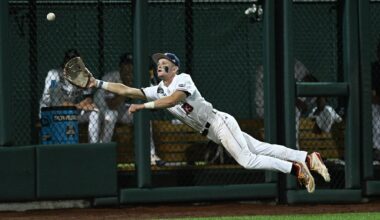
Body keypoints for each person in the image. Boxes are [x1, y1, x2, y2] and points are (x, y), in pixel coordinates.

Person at [87, 52, 331, 193]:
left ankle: (295, 169)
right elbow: (126, 89)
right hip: (213, 131)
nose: (160, 64)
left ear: (174, 67)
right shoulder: (158, 89)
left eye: (165, 62)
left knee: (247, 160)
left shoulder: (183, 79)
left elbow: (174, 100)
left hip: (218, 123)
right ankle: (308, 158)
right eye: (158, 63)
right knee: (259, 148)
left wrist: (143, 106)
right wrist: (97, 83)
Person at [94, 53, 165, 166]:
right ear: (120, 68)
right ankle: (103, 151)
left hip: (120, 110)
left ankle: (151, 155)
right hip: (101, 109)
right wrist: (127, 87)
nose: (128, 70)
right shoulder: (112, 78)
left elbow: (154, 107)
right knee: (110, 116)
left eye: (131, 67)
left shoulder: (138, 78)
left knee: (143, 117)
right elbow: (112, 104)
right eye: (126, 66)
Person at [39, 49, 101, 143]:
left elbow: (88, 98)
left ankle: (94, 146)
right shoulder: (54, 75)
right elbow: (57, 104)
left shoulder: (84, 76)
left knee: (95, 113)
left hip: (72, 112)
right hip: (51, 113)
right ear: (64, 62)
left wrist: (85, 104)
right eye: (69, 61)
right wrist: (80, 106)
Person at [371, 41, 380, 162]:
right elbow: (370, 96)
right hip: (375, 106)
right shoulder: (373, 69)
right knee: (374, 109)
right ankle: (377, 150)